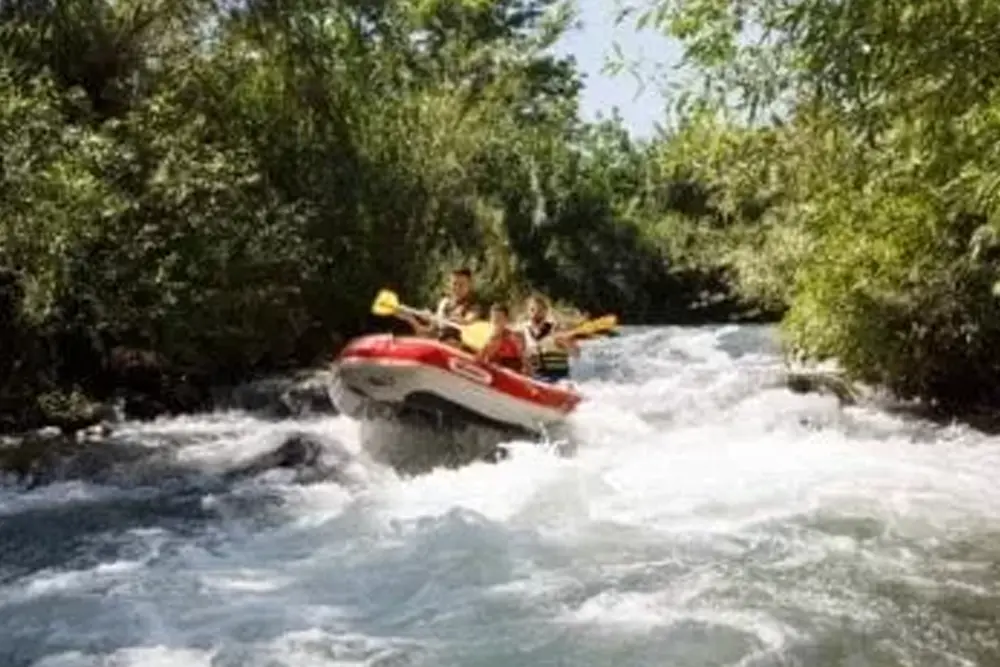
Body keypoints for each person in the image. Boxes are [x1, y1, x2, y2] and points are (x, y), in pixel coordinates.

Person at [398, 267, 482, 344]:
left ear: (469, 285)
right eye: (454, 284)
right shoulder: (444, 303)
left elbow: (466, 321)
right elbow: (428, 333)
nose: (457, 288)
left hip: (457, 349)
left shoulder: (474, 307)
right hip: (439, 346)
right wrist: (411, 319)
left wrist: (437, 317)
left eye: (461, 285)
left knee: (451, 341)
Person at [520, 293, 579, 383]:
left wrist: (566, 341)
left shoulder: (557, 330)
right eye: (532, 310)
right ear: (527, 311)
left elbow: (576, 353)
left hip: (559, 380)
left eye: (539, 310)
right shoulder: (524, 331)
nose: (535, 313)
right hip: (536, 379)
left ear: (545, 311)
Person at [477, 303, 528, 373]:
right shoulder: (487, 335)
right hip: (492, 372)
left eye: (499, 318)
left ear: (506, 320)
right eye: (493, 318)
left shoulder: (515, 338)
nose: (495, 320)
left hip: (510, 374)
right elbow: (479, 359)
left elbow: (524, 363)